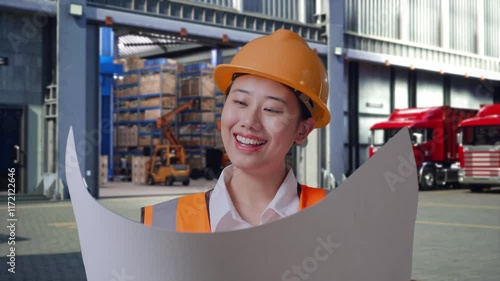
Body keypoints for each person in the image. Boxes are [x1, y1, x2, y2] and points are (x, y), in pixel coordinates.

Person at [141, 29, 331, 232]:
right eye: (240, 102)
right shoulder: (161, 223)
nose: (249, 121)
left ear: (302, 131)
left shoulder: (337, 215)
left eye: (271, 109)